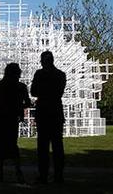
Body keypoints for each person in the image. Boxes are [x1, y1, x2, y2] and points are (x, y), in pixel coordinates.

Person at [0, 63, 32, 183]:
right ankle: (18, 171)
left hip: (0, 117)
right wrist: (18, 107)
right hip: (12, 118)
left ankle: (0, 171)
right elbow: (28, 103)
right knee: (12, 144)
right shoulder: (21, 87)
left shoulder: (1, 84)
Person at [31, 51, 66, 184]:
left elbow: (33, 91)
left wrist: (42, 92)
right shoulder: (61, 75)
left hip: (43, 113)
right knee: (58, 146)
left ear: (42, 61)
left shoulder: (39, 74)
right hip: (56, 112)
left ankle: (43, 176)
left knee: (43, 147)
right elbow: (59, 93)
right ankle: (58, 176)